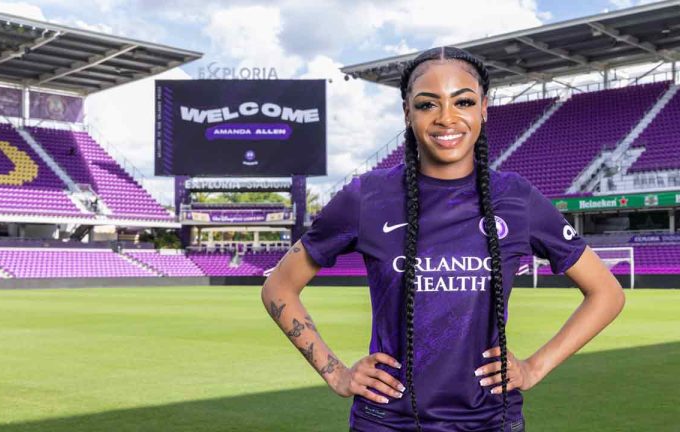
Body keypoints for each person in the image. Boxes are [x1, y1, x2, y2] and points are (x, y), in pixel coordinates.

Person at [261, 46, 625, 432]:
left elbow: (607, 293)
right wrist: (336, 373)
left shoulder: (516, 199)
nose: (446, 118)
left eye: (463, 101)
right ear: (407, 113)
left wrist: (534, 367)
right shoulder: (366, 197)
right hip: (387, 423)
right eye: (427, 105)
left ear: (483, 108)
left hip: (490, 421)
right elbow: (278, 288)